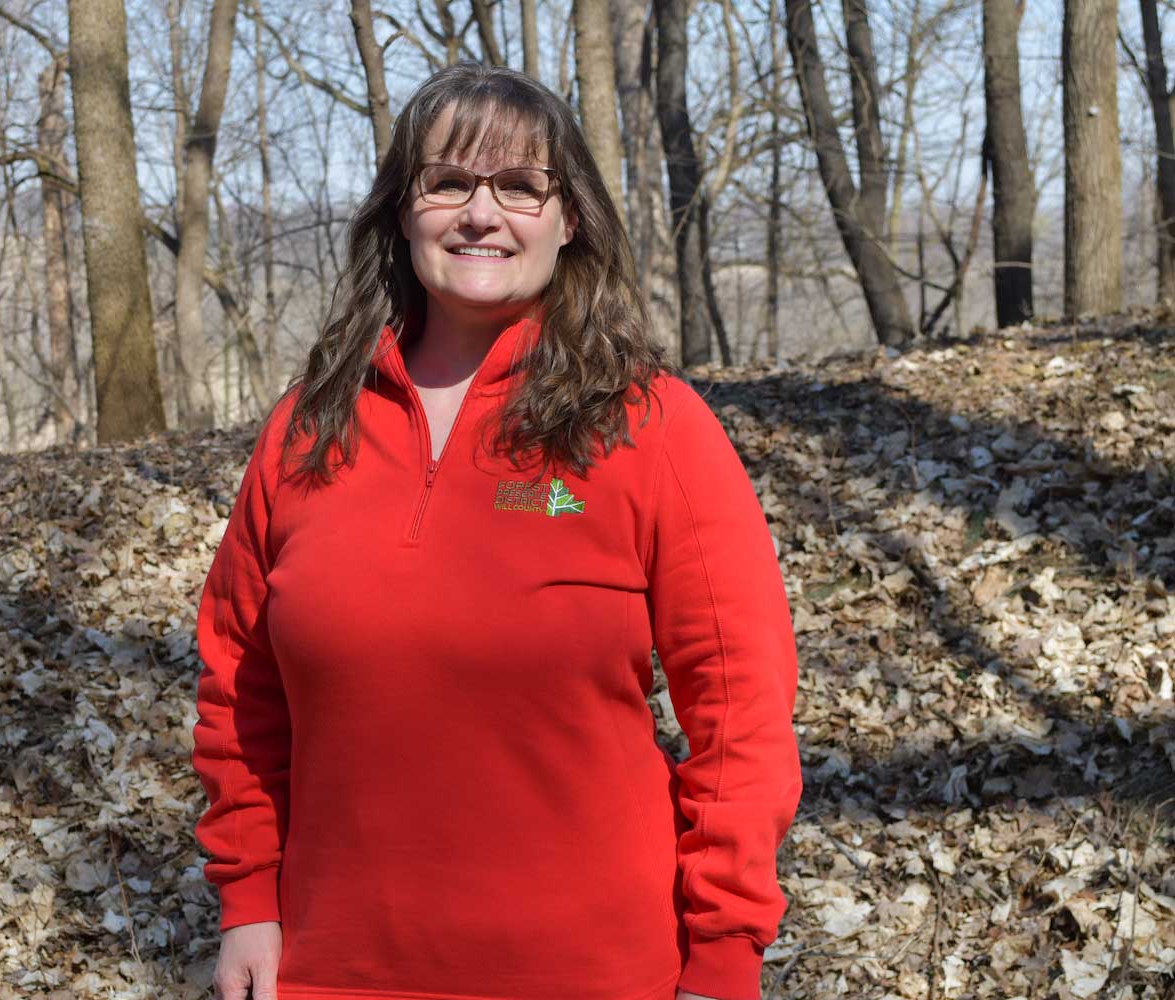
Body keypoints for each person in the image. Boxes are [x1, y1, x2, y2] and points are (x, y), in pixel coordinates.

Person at [191, 63, 802, 1000]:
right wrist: (248, 902)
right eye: (448, 183)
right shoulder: (306, 431)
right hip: (328, 972)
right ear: (403, 211)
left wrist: (722, 956)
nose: (483, 214)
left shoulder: (652, 427)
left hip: (598, 976)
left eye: (520, 186)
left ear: (570, 220)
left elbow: (742, 713)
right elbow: (240, 687)